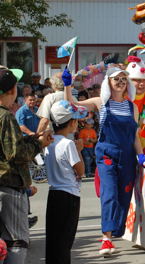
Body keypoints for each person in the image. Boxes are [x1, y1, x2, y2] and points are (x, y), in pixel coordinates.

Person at [62, 66, 145, 255]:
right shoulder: (100, 102)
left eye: (123, 80)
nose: (120, 82)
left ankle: (114, 232)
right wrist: (68, 86)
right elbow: (71, 106)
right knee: (109, 194)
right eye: (116, 79)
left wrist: (141, 155)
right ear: (108, 82)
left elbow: (135, 136)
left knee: (124, 196)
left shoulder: (133, 107)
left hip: (128, 157)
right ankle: (107, 239)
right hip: (107, 155)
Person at [0, 67, 53, 263]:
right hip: (9, 184)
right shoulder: (4, 116)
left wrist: (34, 138)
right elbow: (15, 153)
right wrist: (39, 143)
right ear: (13, 89)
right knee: (16, 242)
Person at [44, 100, 88, 264]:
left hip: (54, 193)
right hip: (68, 195)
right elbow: (80, 170)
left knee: (54, 240)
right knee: (65, 241)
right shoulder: (68, 144)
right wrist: (79, 151)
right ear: (71, 122)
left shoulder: (49, 142)